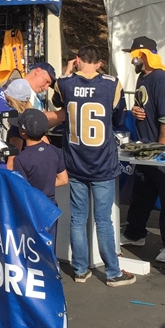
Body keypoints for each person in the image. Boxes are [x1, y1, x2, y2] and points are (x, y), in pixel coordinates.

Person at [54, 46, 136, 286]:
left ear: (77, 60)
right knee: (104, 220)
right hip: (102, 161)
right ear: (99, 63)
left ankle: (80, 269)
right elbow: (119, 117)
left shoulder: (65, 82)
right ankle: (112, 272)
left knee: (78, 218)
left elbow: (58, 101)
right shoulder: (112, 84)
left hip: (76, 160)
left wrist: (67, 71)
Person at [120, 36, 165, 264]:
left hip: (160, 148)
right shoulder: (143, 77)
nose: (132, 59)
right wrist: (136, 111)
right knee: (142, 190)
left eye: (134, 55)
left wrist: (161, 147)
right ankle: (135, 233)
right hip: (146, 146)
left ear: (143, 54)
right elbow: (144, 106)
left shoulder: (161, 78)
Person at [11, 109, 68, 205]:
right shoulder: (53, 150)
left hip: (32, 208)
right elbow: (63, 180)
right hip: (51, 208)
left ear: (23, 132)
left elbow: (21, 189)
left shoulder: (20, 158)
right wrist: (46, 185)